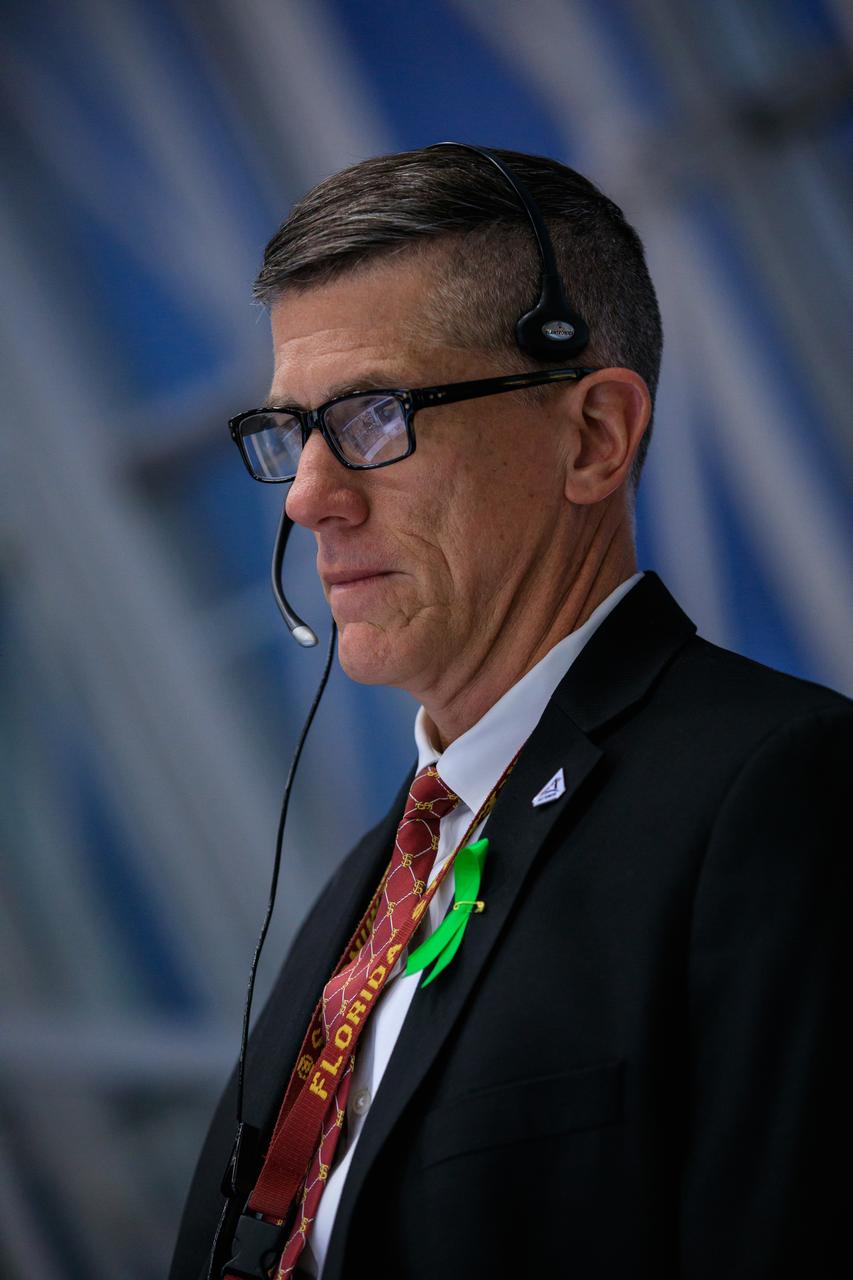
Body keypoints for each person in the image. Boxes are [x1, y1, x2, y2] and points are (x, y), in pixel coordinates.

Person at [169, 144, 851, 1280]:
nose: (308, 496)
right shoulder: (382, 872)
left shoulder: (777, 790)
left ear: (592, 437)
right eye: (291, 431)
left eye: (373, 416)